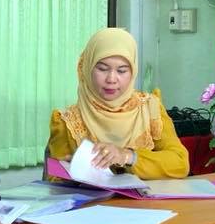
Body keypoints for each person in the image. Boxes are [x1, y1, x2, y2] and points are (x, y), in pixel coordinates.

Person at [48, 27, 189, 179]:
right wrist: (70, 173)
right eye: (102, 69)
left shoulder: (150, 108)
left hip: (147, 194)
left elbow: (180, 163)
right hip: (92, 195)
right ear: (87, 68)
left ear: (133, 72)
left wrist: (127, 156)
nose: (111, 79)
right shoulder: (68, 121)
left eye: (122, 71)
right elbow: (54, 181)